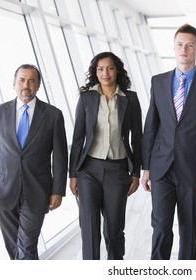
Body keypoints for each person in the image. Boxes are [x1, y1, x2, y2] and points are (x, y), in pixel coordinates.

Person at [141, 23, 196, 260]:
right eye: (180, 44)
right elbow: (151, 127)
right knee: (160, 228)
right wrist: (146, 167)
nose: (184, 49)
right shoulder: (158, 82)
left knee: (189, 231)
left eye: (190, 45)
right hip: (161, 169)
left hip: (194, 170)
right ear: (173, 47)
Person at [0, 64, 68, 260]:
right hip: (3, 189)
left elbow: (61, 157)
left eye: (31, 81)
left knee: (27, 245)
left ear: (38, 85)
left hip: (37, 189)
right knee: (13, 247)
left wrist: (57, 190)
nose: (26, 85)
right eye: (22, 80)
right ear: (14, 83)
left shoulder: (53, 115)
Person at [69, 51, 142, 260]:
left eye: (110, 68)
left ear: (117, 70)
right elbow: (77, 139)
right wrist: (73, 174)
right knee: (90, 230)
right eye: (100, 69)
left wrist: (135, 172)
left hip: (118, 170)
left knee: (114, 231)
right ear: (95, 72)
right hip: (88, 170)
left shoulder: (130, 98)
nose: (105, 73)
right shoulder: (86, 98)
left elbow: (138, 138)